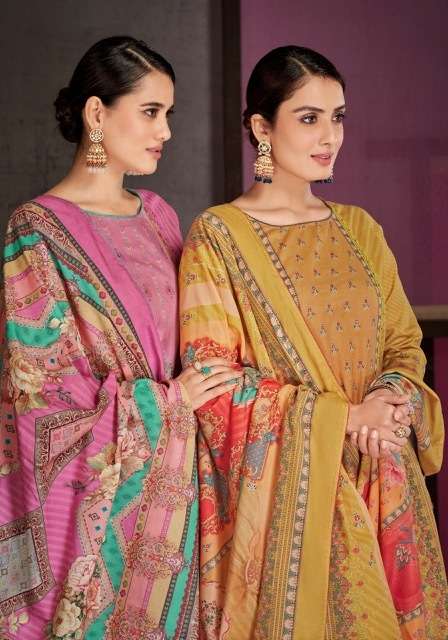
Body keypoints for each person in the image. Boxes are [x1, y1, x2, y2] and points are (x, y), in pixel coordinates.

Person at [179, 46, 447, 639]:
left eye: (338, 117)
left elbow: (404, 343)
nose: (330, 136)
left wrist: (390, 402)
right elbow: (214, 384)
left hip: (384, 478)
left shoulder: (360, 229)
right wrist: (345, 418)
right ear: (261, 127)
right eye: (309, 118)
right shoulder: (218, 236)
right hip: (294, 505)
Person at [0, 36, 242, 640]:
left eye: (169, 113)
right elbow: (42, 394)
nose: (166, 131)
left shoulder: (159, 215)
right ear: (97, 113)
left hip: (179, 486)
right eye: (150, 111)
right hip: (104, 496)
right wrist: (166, 403)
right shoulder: (36, 229)